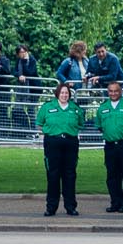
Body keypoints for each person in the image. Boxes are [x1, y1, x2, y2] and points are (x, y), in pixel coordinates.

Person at [92, 79, 123, 213]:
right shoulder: (103, 107)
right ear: (107, 92)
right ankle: (115, 202)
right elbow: (100, 126)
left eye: (116, 91)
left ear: (121, 91)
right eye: (110, 91)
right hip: (110, 146)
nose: (113, 93)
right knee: (112, 175)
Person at [35, 81, 84, 216]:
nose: (64, 95)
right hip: (52, 143)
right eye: (62, 92)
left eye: (66, 93)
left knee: (70, 175)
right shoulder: (47, 107)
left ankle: (70, 206)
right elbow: (40, 123)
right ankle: (51, 207)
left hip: (70, 142)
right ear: (57, 93)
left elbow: (80, 123)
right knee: (53, 175)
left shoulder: (75, 108)